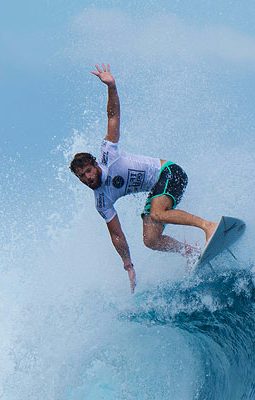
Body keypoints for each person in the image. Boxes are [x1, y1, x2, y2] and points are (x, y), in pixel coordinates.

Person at [70, 64, 217, 293]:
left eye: (88, 171)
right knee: (151, 240)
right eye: (82, 177)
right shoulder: (101, 201)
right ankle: (191, 252)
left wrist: (111, 86)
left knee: (157, 212)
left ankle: (209, 226)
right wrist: (128, 265)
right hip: (157, 189)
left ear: (95, 165)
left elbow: (113, 116)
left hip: (169, 172)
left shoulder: (109, 154)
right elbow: (117, 235)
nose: (88, 178)